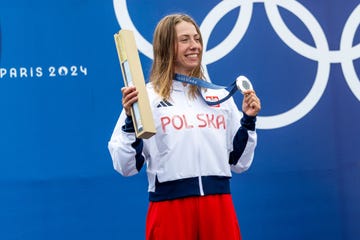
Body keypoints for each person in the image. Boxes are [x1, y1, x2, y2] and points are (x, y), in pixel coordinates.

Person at [108, 13, 261, 240]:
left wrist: (248, 120)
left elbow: (239, 163)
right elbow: (125, 165)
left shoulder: (219, 96)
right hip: (170, 208)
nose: (194, 46)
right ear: (166, 47)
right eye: (185, 40)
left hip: (218, 206)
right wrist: (131, 121)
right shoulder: (145, 97)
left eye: (197, 38)